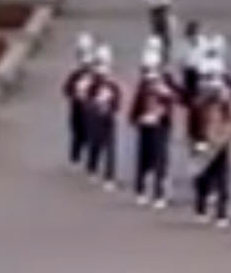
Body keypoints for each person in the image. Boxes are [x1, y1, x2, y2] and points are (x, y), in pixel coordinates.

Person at [192, 58, 231, 227]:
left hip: (220, 141)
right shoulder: (199, 101)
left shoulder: (225, 97)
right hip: (204, 141)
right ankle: (201, 208)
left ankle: (222, 213)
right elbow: (194, 122)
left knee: (223, 178)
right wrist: (197, 141)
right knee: (202, 176)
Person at [129, 46, 177, 207]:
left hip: (161, 126)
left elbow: (178, 97)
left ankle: (159, 194)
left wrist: (167, 94)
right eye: (147, 70)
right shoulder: (143, 85)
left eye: (152, 69)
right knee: (143, 158)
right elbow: (137, 103)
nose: (150, 74)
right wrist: (135, 118)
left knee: (160, 160)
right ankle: (140, 190)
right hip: (145, 125)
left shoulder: (166, 82)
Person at [85, 44, 122, 190]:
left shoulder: (112, 84)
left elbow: (117, 100)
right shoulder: (93, 81)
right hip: (95, 117)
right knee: (95, 144)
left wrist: (112, 106)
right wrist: (95, 104)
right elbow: (87, 98)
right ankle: (92, 167)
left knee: (111, 148)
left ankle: (110, 177)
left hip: (108, 117)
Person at [61, 32, 96, 166]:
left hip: (89, 108)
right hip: (77, 107)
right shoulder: (75, 75)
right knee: (77, 132)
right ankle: (74, 158)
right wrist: (75, 94)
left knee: (89, 132)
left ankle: (89, 159)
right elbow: (66, 89)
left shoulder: (93, 76)